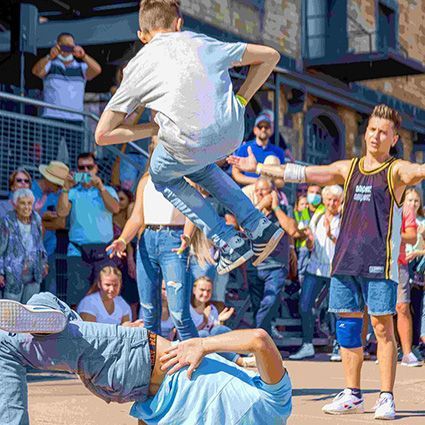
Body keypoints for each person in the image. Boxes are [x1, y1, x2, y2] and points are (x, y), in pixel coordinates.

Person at [229, 104, 425, 420]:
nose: (376, 136)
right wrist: (260, 167)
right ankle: (352, 394)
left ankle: (386, 397)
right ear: (365, 133)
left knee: (381, 328)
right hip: (345, 262)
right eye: (372, 129)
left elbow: (420, 170)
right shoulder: (348, 168)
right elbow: (304, 173)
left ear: (393, 138)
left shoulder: (397, 171)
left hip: (379, 264)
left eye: (383, 132)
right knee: (347, 329)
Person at [95, 0, 284, 275]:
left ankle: (227, 240)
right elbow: (271, 56)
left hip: (186, 141)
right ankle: (258, 225)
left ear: (142, 35)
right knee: (197, 166)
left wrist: (152, 129)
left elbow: (103, 134)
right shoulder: (201, 41)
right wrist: (241, 100)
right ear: (179, 24)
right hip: (232, 132)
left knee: (161, 174)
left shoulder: (137, 65)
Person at [0, 294, 292, 425]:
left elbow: (259, 339)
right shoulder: (273, 409)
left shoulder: (276, 408)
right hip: (122, 386)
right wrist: (201, 344)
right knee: (50, 306)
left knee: (6, 343)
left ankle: (43, 315)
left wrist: (202, 344)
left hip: (133, 356)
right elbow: (259, 340)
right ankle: (43, 314)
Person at [107, 146, 198, 340]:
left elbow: (193, 214)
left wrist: (187, 236)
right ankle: (151, 358)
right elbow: (136, 217)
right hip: (147, 239)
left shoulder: (185, 178)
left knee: (179, 314)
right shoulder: (145, 181)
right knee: (148, 311)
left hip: (174, 239)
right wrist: (123, 239)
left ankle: (196, 357)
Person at [57, 152, 120, 307]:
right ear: (77, 170)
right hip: (78, 251)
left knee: (107, 297)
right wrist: (65, 188)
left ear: (96, 168)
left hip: (104, 251)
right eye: (81, 167)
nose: (86, 171)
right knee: (76, 300)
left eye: (89, 167)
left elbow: (115, 208)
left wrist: (101, 187)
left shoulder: (108, 190)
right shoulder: (72, 192)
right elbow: (62, 212)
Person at [246, 176, 306, 336]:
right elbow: (244, 229)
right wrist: (260, 206)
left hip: (276, 265)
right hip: (255, 265)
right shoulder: (253, 210)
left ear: (273, 192)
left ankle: (257, 335)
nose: (259, 193)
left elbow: (291, 230)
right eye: (257, 190)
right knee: (257, 305)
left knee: (269, 301)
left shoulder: (284, 209)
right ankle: (262, 338)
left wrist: (276, 207)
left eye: (263, 190)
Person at [289, 185, 343, 361]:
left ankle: (338, 345)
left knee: (336, 308)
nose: (332, 203)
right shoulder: (317, 217)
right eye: (329, 199)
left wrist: (330, 234)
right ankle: (307, 344)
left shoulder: (343, 219)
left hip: (335, 270)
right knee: (305, 305)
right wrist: (310, 241)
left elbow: (344, 245)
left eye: (335, 200)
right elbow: (311, 245)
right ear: (324, 200)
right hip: (315, 268)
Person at [32, 32, 101, 124]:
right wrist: (49, 57)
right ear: (57, 46)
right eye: (64, 47)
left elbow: (97, 70)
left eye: (70, 47)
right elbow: (36, 72)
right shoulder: (50, 65)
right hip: (52, 117)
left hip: (75, 118)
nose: (67, 50)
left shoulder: (81, 67)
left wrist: (83, 56)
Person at [0, 189, 48, 303]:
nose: (26, 207)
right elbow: (1, 249)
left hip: (34, 274)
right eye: (22, 203)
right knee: (11, 310)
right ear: (15, 205)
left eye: (29, 203)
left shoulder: (36, 219)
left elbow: (40, 245)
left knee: (30, 307)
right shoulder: (7, 221)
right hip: (13, 275)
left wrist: (44, 263)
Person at [33, 161, 69, 295]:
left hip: (49, 251)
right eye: (58, 184)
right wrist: (43, 217)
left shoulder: (59, 194)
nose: (59, 188)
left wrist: (39, 220)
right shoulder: (28, 188)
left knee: (49, 293)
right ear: (48, 179)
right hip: (27, 251)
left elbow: (61, 223)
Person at [396, 203, 422, 367]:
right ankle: (382, 350)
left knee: (402, 306)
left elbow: (412, 237)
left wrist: (391, 234)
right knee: (374, 310)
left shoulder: (406, 208)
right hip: (375, 262)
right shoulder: (375, 201)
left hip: (399, 263)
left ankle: (407, 353)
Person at [232, 113, 286, 187]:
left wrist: (266, 185)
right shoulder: (244, 148)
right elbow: (236, 174)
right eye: (260, 127)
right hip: (248, 188)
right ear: (255, 130)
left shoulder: (278, 152)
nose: (263, 129)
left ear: (271, 130)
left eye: (266, 127)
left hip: (269, 190)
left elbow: (281, 181)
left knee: (272, 159)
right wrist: (258, 182)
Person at [113, 186, 139, 318]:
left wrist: (130, 259)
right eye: (116, 199)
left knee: (132, 294)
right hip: (113, 258)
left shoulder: (131, 218)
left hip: (128, 257)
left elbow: (129, 242)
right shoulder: (109, 215)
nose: (119, 202)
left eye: (122, 199)